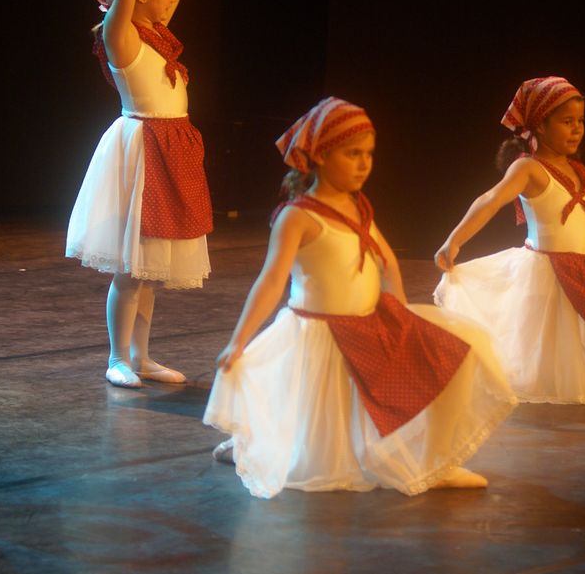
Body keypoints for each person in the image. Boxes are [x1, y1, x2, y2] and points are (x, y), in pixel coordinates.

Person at [203, 98, 515, 498]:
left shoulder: (357, 205)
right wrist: (239, 339)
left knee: (458, 355)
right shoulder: (297, 216)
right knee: (317, 425)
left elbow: (386, 260)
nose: (364, 164)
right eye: (353, 154)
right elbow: (271, 280)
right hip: (319, 333)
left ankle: (430, 460)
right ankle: (254, 447)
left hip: (366, 323)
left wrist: (400, 313)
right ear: (320, 155)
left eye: (369, 154)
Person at [434, 77, 585, 404]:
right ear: (540, 125)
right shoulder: (528, 168)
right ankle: (554, 383)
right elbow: (491, 200)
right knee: (552, 339)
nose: (577, 129)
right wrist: (454, 241)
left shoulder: (577, 170)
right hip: (546, 270)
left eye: (581, 121)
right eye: (567, 122)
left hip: (582, 266)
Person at [66, 0, 212, 389]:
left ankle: (142, 356)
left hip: (172, 149)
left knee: (149, 270)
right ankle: (117, 358)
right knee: (131, 269)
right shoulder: (122, 37)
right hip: (143, 149)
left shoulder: (159, 35)